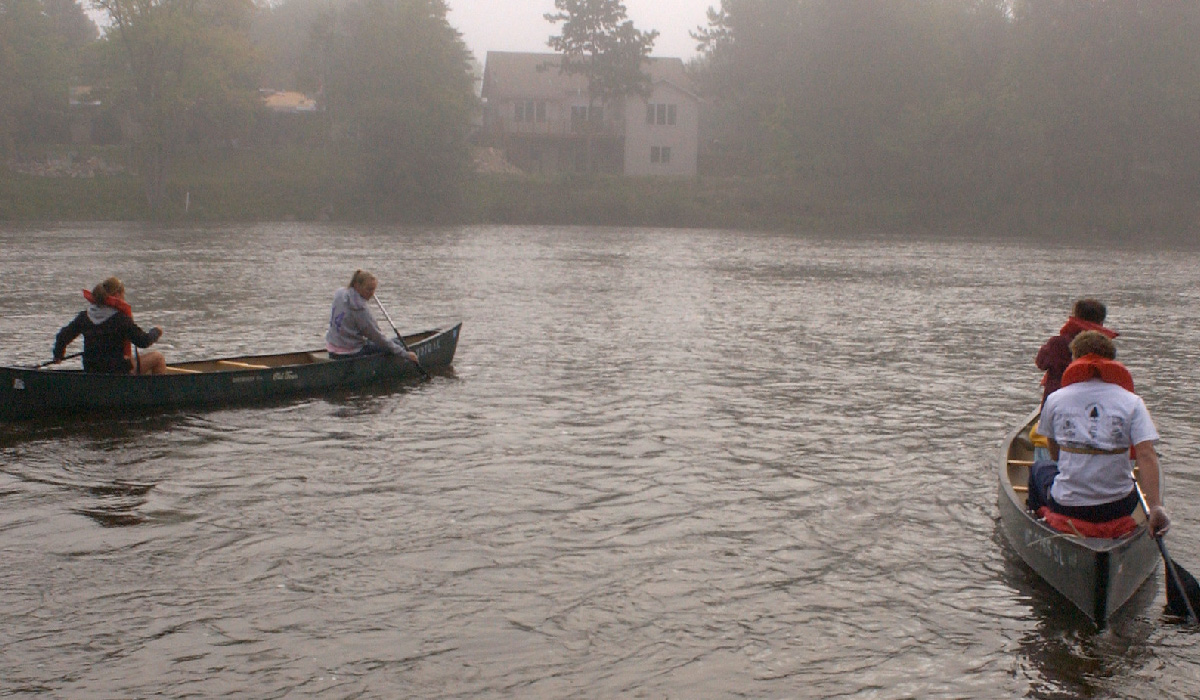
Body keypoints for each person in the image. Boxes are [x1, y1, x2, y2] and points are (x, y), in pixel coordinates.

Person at [1027, 330, 1169, 536]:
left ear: (1075, 359)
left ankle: (1039, 523)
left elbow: (1055, 454)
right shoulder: (1132, 402)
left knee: (1039, 469)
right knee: (1129, 482)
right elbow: (1146, 455)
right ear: (1111, 361)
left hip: (1067, 504)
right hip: (1118, 507)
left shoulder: (1056, 399)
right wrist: (1156, 508)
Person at [53, 276, 167, 375]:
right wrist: (156, 331)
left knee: (129, 360)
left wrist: (58, 355)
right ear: (117, 295)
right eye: (123, 294)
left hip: (91, 370)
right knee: (158, 357)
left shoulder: (84, 317)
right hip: (118, 372)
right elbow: (143, 341)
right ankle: (158, 396)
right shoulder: (121, 319)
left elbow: (62, 336)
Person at [1035, 298, 1117, 407]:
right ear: (1101, 322)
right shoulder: (1104, 346)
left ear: (1075, 317)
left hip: (1056, 403)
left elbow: (1041, 363)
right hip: (1090, 405)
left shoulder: (1057, 343)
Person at [325, 270, 418, 362]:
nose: (372, 293)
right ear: (357, 286)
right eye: (369, 289)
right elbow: (378, 338)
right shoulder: (361, 310)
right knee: (397, 345)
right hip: (350, 353)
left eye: (374, 289)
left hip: (332, 347)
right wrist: (404, 354)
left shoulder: (339, 293)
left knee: (394, 342)